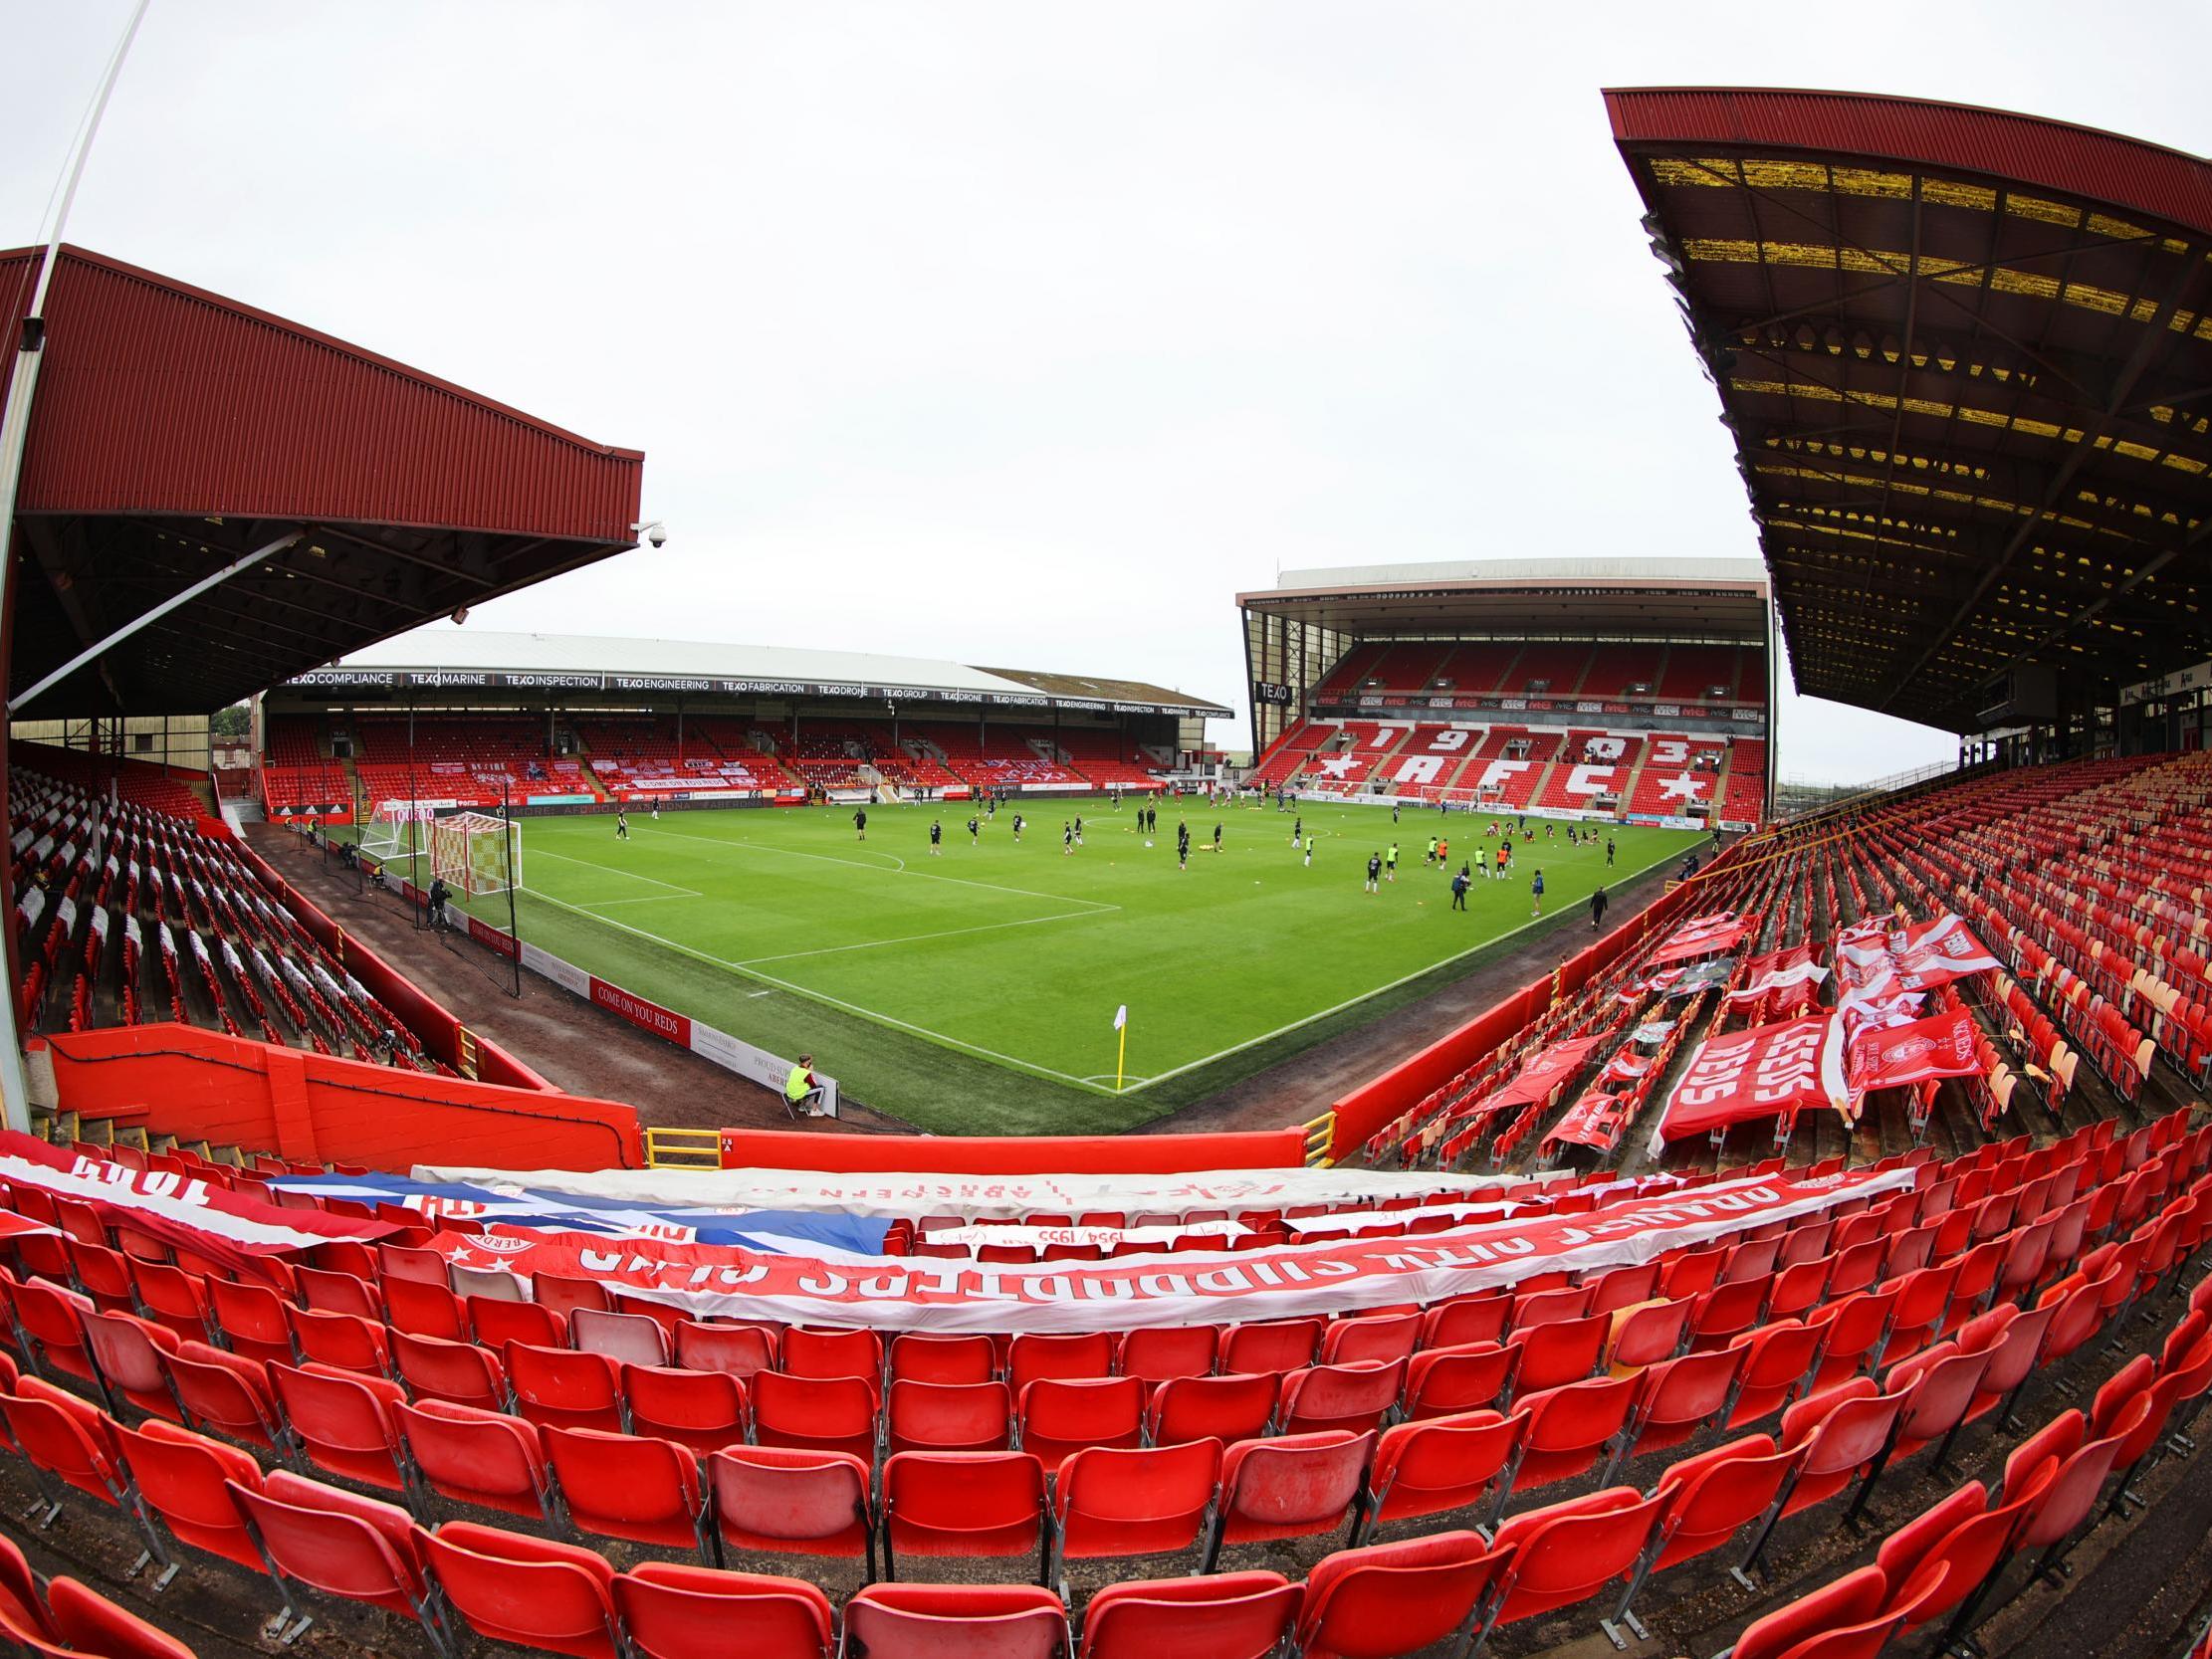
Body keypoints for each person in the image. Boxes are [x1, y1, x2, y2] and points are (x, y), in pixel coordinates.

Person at [783, 1053, 825, 1119]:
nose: (811, 1063)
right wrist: (810, 1072)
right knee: (821, 1088)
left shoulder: (795, 1068)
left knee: (805, 1088)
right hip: (797, 1096)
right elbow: (813, 1086)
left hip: (789, 1093)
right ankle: (814, 1110)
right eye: (810, 1061)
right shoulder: (807, 1073)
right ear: (807, 1062)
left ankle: (802, 1106)